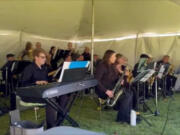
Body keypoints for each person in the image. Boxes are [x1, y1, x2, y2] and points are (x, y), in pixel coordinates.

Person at [95, 50, 134, 124]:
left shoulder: (112, 66)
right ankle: (121, 118)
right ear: (109, 57)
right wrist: (106, 91)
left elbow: (115, 78)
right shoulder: (102, 66)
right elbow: (96, 81)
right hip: (103, 90)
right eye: (114, 56)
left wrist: (120, 80)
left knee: (129, 93)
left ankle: (127, 115)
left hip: (112, 88)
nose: (115, 58)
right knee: (126, 96)